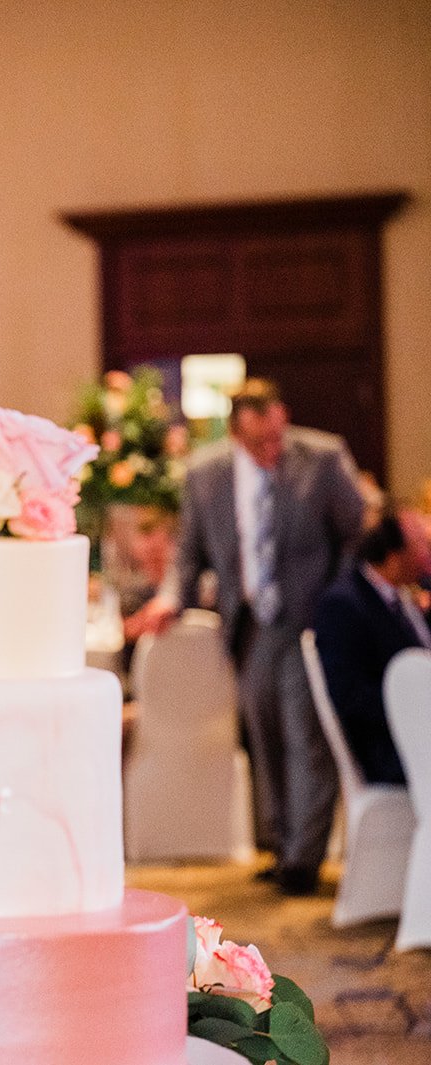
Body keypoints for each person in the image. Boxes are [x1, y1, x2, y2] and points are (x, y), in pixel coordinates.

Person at [173, 378, 364, 894]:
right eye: (261, 442)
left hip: (308, 620)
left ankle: (304, 859)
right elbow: (189, 554)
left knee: (305, 734)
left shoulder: (322, 458)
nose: (273, 450)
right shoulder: (206, 475)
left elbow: (355, 531)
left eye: (279, 436)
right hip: (251, 622)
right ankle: (279, 845)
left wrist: (335, 602)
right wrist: (173, 601)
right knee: (264, 734)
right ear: (236, 434)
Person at [313, 514, 430, 786]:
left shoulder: (401, 594)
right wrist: (416, 706)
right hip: (393, 747)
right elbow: (349, 694)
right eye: (421, 546)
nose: (427, 555)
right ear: (394, 555)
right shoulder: (344, 605)